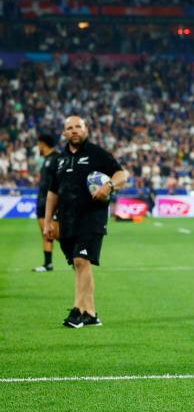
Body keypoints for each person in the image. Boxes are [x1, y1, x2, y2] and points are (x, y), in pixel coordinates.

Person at [43, 116, 127, 327]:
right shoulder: (59, 160)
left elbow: (121, 174)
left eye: (78, 127)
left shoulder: (96, 153)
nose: (74, 131)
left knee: (81, 261)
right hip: (66, 220)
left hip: (92, 218)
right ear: (64, 133)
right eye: (69, 128)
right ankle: (90, 313)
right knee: (79, 265)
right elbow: (52, 193)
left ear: (85, 129)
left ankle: (77, 311)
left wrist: (109, 186)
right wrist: (47, 222)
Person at [32, 133, 61, 272]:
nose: (38, 147)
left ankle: (77, 254)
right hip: (41, 201)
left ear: (43, 144)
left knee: (54, 234)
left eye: (38, 144)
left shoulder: (56, 158)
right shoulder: (46, 160)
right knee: (45, 234)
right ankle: (47, 264)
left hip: (50, 202)